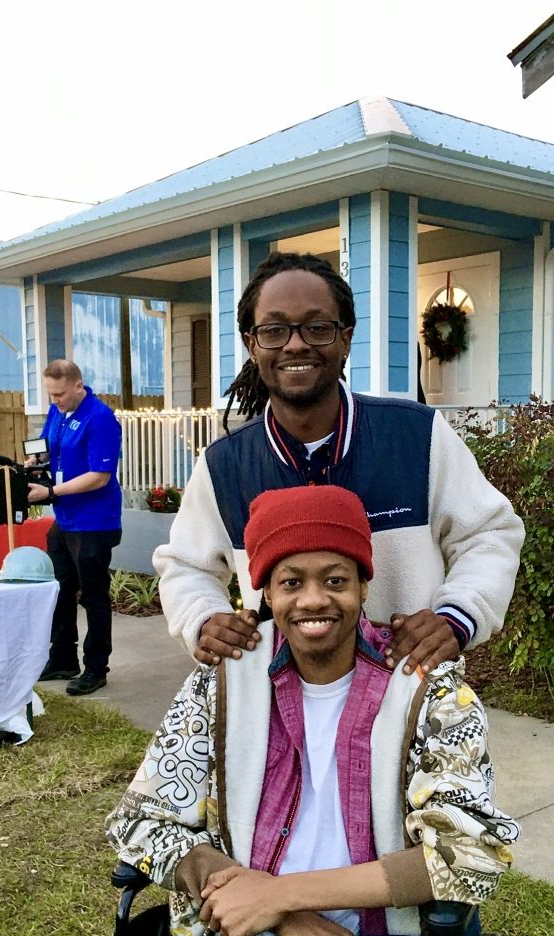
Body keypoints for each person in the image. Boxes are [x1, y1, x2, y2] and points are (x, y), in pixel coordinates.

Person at [105, 485, 519, 936]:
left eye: (336, 580)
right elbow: (142, 820)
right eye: (291, 582)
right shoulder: (222, 683)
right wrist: (285, 918)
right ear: (265, 594)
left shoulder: (426, 688)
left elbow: (468, 854)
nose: (314, 600)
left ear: (365, 585)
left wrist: (276, 896)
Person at [153, 251, 524, 678]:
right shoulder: (226, 464)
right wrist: (203, 618)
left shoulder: (416, 436)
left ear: (345, 339)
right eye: (274, 330)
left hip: (407, 695)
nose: (296, 343)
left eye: (317, 328)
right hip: (278, 714)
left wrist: (458, 615)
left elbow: (489, 533)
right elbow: (185, 565)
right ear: (252, 344)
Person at [28, 359, 122, 696]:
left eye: (60, 394)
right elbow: (47, 446)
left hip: (94, 522)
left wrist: (50, 491)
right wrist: (36, 461)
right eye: (51, 395)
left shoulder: (100, 419)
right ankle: (63, 658)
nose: (55, 400)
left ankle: (96, 668)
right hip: (64, 520)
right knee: (61, 590)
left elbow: (99, 476)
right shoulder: (58, 411)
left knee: (93, 596)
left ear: (78, 385)